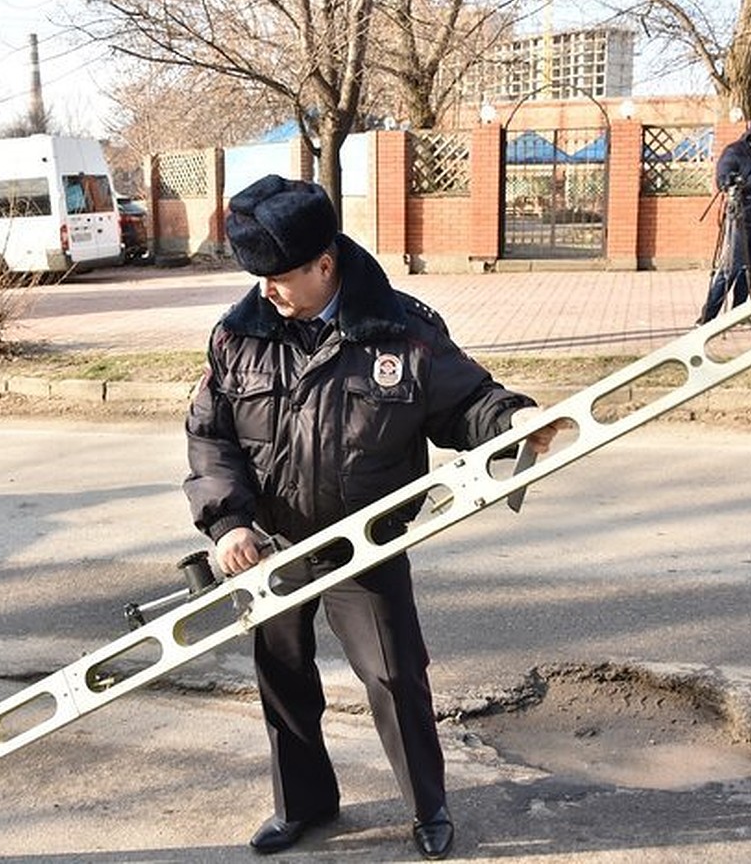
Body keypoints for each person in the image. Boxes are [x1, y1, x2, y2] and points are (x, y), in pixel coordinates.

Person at [182, 174, 556, 860]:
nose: (266, 290)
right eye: (257, 276)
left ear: (324, 264)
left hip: (368, 544)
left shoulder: (401, 332)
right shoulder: (239, 334)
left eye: (279, 276)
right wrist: (228, 523)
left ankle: (428, 810)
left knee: (393, 676)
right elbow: (211, 436)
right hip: (272, 547)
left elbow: (468, 403)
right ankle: (303, 806)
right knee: (284, 680)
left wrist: (515, 419)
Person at [698, 115, 751, 324]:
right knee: (731, 268)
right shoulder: (734, 151)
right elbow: (723, 181)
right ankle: (707, 317)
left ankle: (740, 314)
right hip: (740, 217)